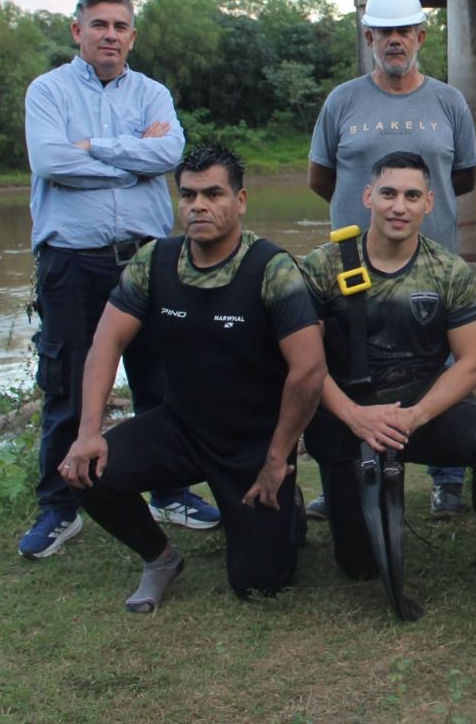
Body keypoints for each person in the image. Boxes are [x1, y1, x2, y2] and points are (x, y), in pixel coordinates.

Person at [62, 144, 326, 612]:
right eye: (188, 195)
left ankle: (287, 508)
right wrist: (88, 433)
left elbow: (308, 370)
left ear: (240, 200)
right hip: (181, 427)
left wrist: (276, 460)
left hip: (253, 444)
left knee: (259, 585)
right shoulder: (154, 260)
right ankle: (160, 557)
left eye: (213, 194)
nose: (198, 206)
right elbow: (106, 342)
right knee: (86, 472)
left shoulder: (273, 269)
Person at [19, 0, 219, 560]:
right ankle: (59, 507)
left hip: (148, 259)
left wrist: (94, 148)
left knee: (161, 377)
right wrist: (131, 158)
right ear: (77, 31)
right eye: (99, 24)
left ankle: (169, 492)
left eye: (120, 26)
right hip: (71, 262)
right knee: (68, 383)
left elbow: (170, 155)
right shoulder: (48, 91)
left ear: (132, 36)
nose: (110, 35)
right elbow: (51, 161)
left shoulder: (153, 93)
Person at [301, 152, 476, 617]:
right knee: (359, 567)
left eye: (412, 196)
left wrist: (414, 416)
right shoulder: (322, 265)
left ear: (429, 203)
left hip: (422, 410)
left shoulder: (449, 271)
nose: (399, 206)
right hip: (349, 414)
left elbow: (472, 364)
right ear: (367, 196)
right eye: (388, 193)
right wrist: (356, 417)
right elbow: (305, 365)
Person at [308, 0, 476, 518]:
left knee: (446, 361)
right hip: (353, 269)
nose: (395, 40)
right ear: (369, 39)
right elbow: (321, 178)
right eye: (384, 32)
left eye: (404, 30)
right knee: (346, 364)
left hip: (431, 266)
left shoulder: (449, 102)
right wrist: (362, 223)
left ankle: (447, 479)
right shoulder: (343, 101)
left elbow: (463, 177)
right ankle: (342, 477)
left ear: (421, 36)